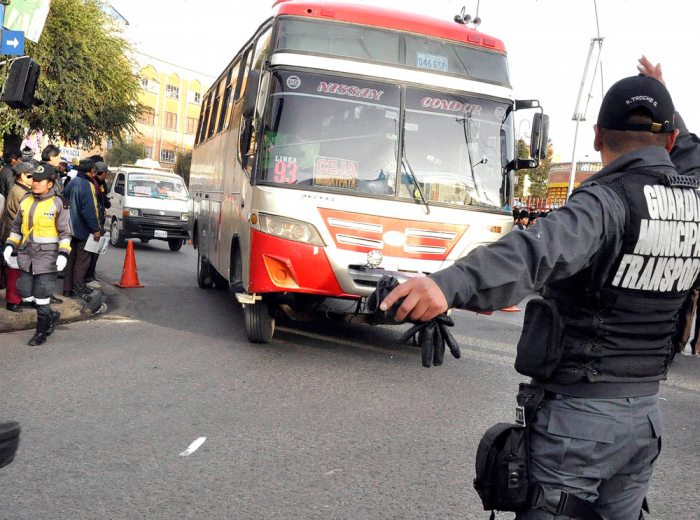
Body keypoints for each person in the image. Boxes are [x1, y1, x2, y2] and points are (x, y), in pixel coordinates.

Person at [378, 66, 695, 518]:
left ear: (596, 136)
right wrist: (666, 106)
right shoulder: (693, 200)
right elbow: (689, 156)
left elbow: (536, 251)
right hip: (644, 418)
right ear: (671, 139)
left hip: (579, 420)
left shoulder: (607, 202)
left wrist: (447, 284)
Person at [3, 164, 71, 345]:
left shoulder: (59, 203)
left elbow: (65, 233)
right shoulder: (26, 199)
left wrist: (63, 254)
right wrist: (10, 245)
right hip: (27, 254)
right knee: (24, 292)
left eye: (40, 181)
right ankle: (50, 314)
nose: (35, 183)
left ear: (50, 184)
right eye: (34, 179)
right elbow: (16, 228)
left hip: (48, 257)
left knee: (42, 294)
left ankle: (40, 333)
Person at [61, 159, 100, 299]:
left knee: (70, 259)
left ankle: (67, 289)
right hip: (82, 228)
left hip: (68, 227)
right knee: (82, 260)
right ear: (91, 170)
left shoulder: (71, 183)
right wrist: (95, 229)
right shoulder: (87, 185)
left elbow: (63, 202)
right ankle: (78, 289)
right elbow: (89, 210)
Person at [0, 162, 34, 312]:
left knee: (20, 270)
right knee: (14, 271)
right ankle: (12, 301)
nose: (33, 179)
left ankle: (20, 298)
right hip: (16, 238)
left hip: (18, 237)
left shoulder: (22, 190)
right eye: (30, 176)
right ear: (21, 176)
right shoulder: (20, 192)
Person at [84, 161, 111, 284]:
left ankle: (91, 274)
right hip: (95, 221)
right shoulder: (93, 184)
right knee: (92, 251)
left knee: (96, 251)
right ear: (103, 173)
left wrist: (106, 203)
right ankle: (88, 277)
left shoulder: (102, 184)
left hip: (99, 219)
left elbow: (104, 199)